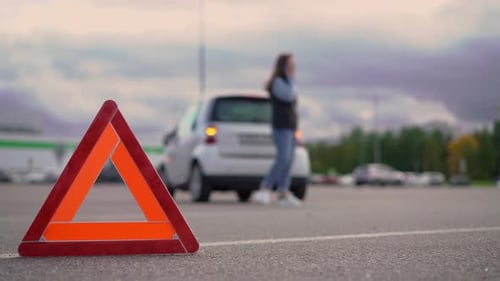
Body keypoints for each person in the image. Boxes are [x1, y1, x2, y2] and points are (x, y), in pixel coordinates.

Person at [251, 53, 302, 207]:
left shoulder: (288, 82)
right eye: (291, 65)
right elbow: (288, 96)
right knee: (282, 159)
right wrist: (292, 79)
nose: (294, 68)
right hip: (281, 127)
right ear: (283, 66)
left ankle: (283, 192)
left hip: (291, 127)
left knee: (289, 160)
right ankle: (265, 188)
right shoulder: (278, 82)